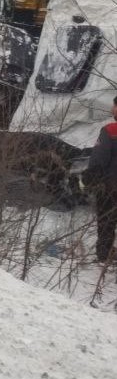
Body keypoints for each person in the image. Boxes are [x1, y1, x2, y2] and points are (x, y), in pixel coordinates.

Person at [84, 95, 117, 264]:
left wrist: (88, 180)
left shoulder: (110, 131)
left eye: (114, 106)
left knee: (106, 222)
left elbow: (98, 160)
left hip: (110, 189)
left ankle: (104, 255)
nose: (112, 109)